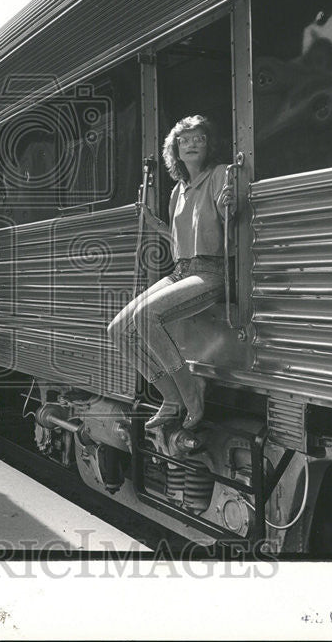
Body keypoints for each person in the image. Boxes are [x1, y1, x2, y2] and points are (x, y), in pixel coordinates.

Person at [108, 114, 236, 430]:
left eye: (199, 139)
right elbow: (185, 239)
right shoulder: (178, 191)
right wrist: (158, 227)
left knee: (146, 317)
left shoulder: (221, 175)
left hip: (211, 271)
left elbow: (228, 227)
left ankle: (192, 392)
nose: (192, 143)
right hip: (182, 270)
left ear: (209, 145)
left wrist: (230, 205)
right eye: (184, 139)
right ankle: (171, 396)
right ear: (175, 149)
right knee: (117, 329)